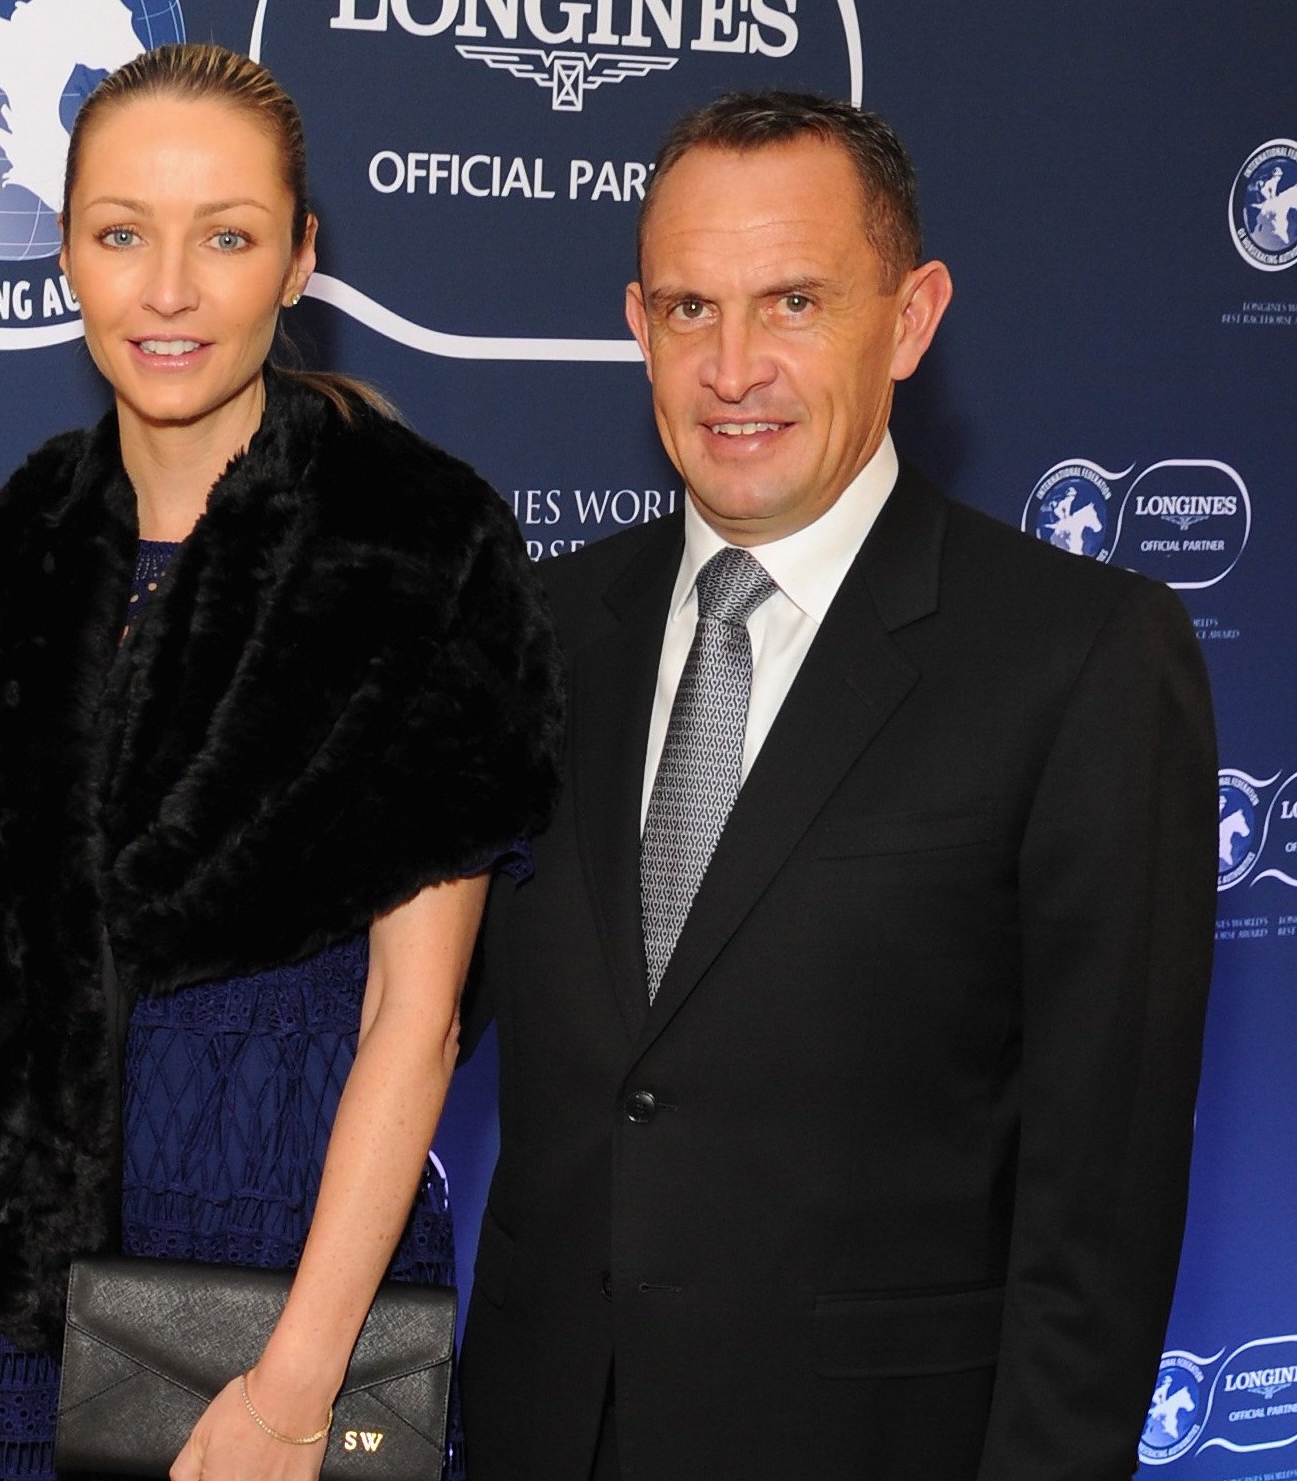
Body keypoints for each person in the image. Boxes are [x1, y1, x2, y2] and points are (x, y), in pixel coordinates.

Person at [459, 92, 1216, 1481]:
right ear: (638, 323)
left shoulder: (1081, 655)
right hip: (543, 1435)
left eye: (794, 302)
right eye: (690, 308)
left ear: (912, 318)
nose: (732, 366)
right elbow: (412, 1009)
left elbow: (1098, 1201)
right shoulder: (528, 632)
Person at [0, 43, 563, 1481]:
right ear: (64, 255)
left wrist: (294, 1387)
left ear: (301, 260)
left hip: (297, 1277)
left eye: (227, 238)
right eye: (123, 234)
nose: (169, 290)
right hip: (20, 1303)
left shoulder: (416, 549)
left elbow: (414, 1017)